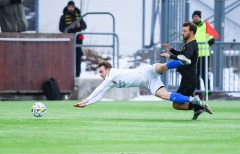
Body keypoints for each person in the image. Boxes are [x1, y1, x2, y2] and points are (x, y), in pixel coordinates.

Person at [73, 60, 211, 120]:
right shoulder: (111, 82)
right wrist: (87, 104)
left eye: (101, 71)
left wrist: (86, 98)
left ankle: (182, 61)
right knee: (164, 95)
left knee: (162, 67)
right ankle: (192, 99)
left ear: (108, 69)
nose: (100, 74)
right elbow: (101, 94)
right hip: (148, 82)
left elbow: (100, 88)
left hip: (146, 71)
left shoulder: (112, 74)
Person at [161, 21, 212, 120]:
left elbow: (185, 58)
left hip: (188, 80)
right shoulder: (189, 44)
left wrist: (170, 56)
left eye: (185, 31)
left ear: (191, 33)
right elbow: (182, 54)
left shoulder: (190, 45)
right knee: (186, 101)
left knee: (176, 104)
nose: (182, 33)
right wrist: (171, 49)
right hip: (189, 78)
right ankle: (197, 108)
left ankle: (199, 106)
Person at [59, 0, 87, 77]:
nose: (71, 8)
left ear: (74, 7)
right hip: (68, 39)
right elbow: (61, 28)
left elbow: (84, 26)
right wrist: (70, 27)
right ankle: (68, 75)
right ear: (67, 7)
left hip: (78, 40)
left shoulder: (79, 16)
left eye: (72, 7)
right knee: (68, 57)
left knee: (78, 57)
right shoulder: (63, 17)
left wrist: (79, 26)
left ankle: (77, 75)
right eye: (69, 7)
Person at [192, 10, 215, 91]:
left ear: (200, 18)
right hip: (194, 55)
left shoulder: (206, 26)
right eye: (194, 17)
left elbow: (211, 36)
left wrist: (211, 40)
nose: (196, 18)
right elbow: (184, 36)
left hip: (204, 54)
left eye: (197, 17)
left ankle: (208, 91)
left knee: (204, 74)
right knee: (195, 74)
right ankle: (198, 91)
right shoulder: (190, 27)